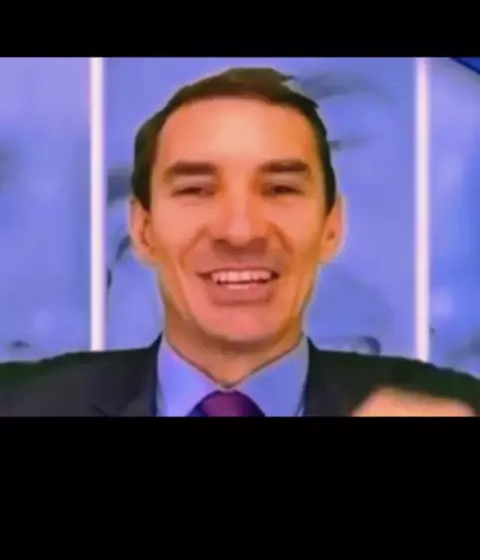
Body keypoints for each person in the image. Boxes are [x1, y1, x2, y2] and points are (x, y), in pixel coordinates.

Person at [1, 66, 479, 416]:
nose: (241, 231)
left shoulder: (453, 405)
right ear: (143, 231)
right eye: (196, 190)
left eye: (280, 189)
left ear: (331, 226)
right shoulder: (20, 406)